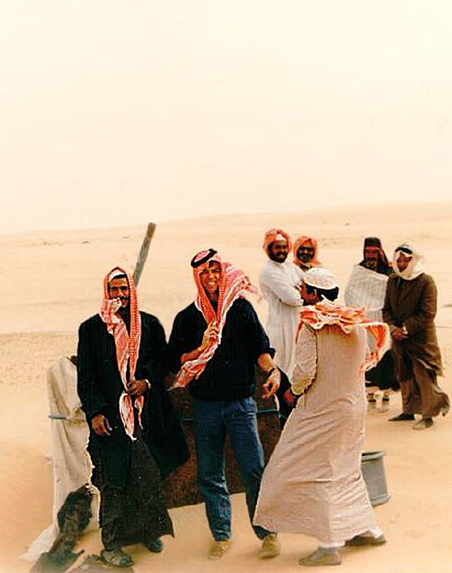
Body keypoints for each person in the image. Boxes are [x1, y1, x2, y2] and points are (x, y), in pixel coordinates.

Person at [254, 268, 389, 567]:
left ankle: (329, 545)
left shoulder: (312, 326)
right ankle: (369, 529)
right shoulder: (354, 322)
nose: (301, 293)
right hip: (353, 409)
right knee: (346, 469)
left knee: (300, 471)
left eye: (304, 288)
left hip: (322, 411)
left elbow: (304, 373)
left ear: (314, 294)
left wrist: (293, 393)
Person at [167, 249, 282, 561]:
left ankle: (267, 533)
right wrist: (199, 348)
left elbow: (261, 349)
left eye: (215, 271)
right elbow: (174, 360)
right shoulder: (187, 318)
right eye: (205, 273)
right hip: (205, 408)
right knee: (209, 473)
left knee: (254, 470)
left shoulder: (241, 310)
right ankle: (221, 535)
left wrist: (271, 371)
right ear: (197, 278)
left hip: (241, 405)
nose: (212, 277)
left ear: (223, 272)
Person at [76, 267, 176, 568]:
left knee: (147, 475)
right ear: (106, 293)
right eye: (113, 290)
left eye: (124, 290)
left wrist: (146, 381)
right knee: (115, 481)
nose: (119, 295)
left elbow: (164, 361)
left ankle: (148, 532)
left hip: (145, 416)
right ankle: (112, 544)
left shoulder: (149, 324)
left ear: (132, 292)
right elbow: (87, 377)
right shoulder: (91, 329)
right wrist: (95, 412)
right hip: (110, 421)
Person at [382, 243, 451, 429]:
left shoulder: (426, 282)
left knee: (424, 375)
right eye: (399, 260)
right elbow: (386, 309)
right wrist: (393, 328)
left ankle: (429, 414)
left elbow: (428, 313)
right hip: (398, 338)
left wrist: (406, 328)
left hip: (421, 338)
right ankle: (408, 411)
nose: (402, 263)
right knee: (405, 375)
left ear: (413, 260)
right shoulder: (393, 280)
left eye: (406, 260)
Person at [345, 237, 399, 405]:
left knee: (385, 354)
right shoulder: (359, 270)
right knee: (367, 354)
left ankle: (386, 394)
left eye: (374, 252)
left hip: (383, 318)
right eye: (367, 251)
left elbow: (393, 291)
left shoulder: (389, 270)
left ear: (380, 251)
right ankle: (369, 395)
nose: (370, 255)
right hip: (365, 321)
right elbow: (350, 293)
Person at [259, 229, 304, 375]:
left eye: (284, 247)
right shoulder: (268, 271)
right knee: (282, 366)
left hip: (297, 322)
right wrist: (301, 292)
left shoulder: (290, 267)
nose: (282, 251)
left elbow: (309, 284)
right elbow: (291, 298)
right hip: (280, 326)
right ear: (269, 249)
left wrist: (299, 291)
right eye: (277, 247)